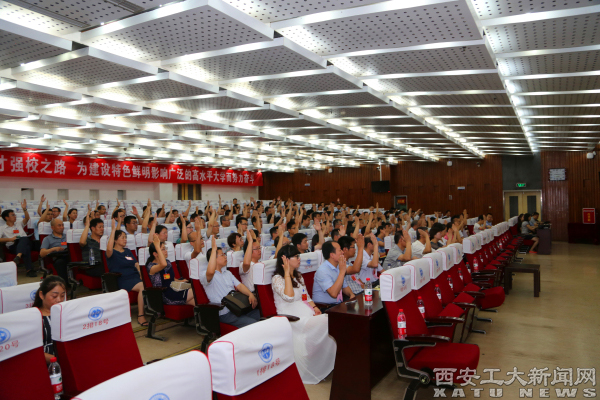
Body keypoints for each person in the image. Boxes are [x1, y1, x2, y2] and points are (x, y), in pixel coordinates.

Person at [272, 245, 336, 384]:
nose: (299, 259)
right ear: (286, 260)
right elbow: (289, 297)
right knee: (329, 321)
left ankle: (324, 363)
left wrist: (315, 308)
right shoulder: (277, 279)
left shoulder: (298, 276)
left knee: (330, 321)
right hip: (292, 319)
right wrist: (287, 273)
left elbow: (306, 296)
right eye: (296, 256)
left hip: (307, 315)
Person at [199, 236, 260, 328]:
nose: (225, 256)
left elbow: (239, 286)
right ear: (214, 258)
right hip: (225, 313)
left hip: (237, 307)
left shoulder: (227, 273)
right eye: (222, 255)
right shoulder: (204, 275)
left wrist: (250, 294)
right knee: (254, 324)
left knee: (262, 316)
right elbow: (211, 272)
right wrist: (214, 250)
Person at [106, 217, 146, 326]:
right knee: (143, 287)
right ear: (115, 240)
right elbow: (108, 249)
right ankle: (141, 315)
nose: (125, 239)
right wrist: (113, 230)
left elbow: (136, 264)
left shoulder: (128, 251)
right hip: (123, 279)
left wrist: (141, 274)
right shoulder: (112, 253)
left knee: (149, 282)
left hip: (135, 277)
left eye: (125, 237)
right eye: (122, 237)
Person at [146, 235, 195, 305]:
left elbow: (171, 277)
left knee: (196, 301)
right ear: (155, 254)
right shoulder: (151, 266)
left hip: (174, 289)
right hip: (165, 294)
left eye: (165, 248)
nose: (166, 251)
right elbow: (163, 265)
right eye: (163, 249)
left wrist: (179, 281)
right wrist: (157, 246)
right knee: (196, 292)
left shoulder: (168, 262)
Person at [33, 276, 66, 363]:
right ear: (41, 295)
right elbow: (33, 351)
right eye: (54, 296)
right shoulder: (35, 318)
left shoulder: (66, 314)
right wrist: (59, 360)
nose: (59, 300)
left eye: (62, 296)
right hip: (48, 362)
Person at [312, 241, 355, 306]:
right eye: (340, 250)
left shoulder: (338, 266)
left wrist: (351, 294)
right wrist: (342, 272)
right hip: (325, 307)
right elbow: (333, 294)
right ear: (332, 255)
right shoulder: (323, 270)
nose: (342, 252)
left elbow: (344, 286)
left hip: (337, 304)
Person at [0, 201, 35, 276]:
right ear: (6, 218)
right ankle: (29, 270)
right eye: (12, 215)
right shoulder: (2, 228)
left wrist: (24, 209)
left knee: (24, 238)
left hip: (24, 241)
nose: (15, 216)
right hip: (13, 245)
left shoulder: (18, 223)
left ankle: (18, 256)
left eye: (15, 215)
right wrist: (10, 239)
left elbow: (27, 218)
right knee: (26, 247)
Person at [40, 218, 70, 283]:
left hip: (69, 255)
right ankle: (65, 284)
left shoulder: (68, 236)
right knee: (60, 263)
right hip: (58, 257)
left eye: (62, 225)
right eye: (59, 225)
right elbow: (42, 253)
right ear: (52, 227)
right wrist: (54, 249)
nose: (62, 227)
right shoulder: (47, 239)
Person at [79, 211, 105, 277]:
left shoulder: (104, 240)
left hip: (105, 264)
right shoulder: (88, 240)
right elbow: (82, 242)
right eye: (100, 227)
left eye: (103, 227)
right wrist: (87, 225)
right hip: (93, 266)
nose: (102, 229)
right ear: (93, 228)